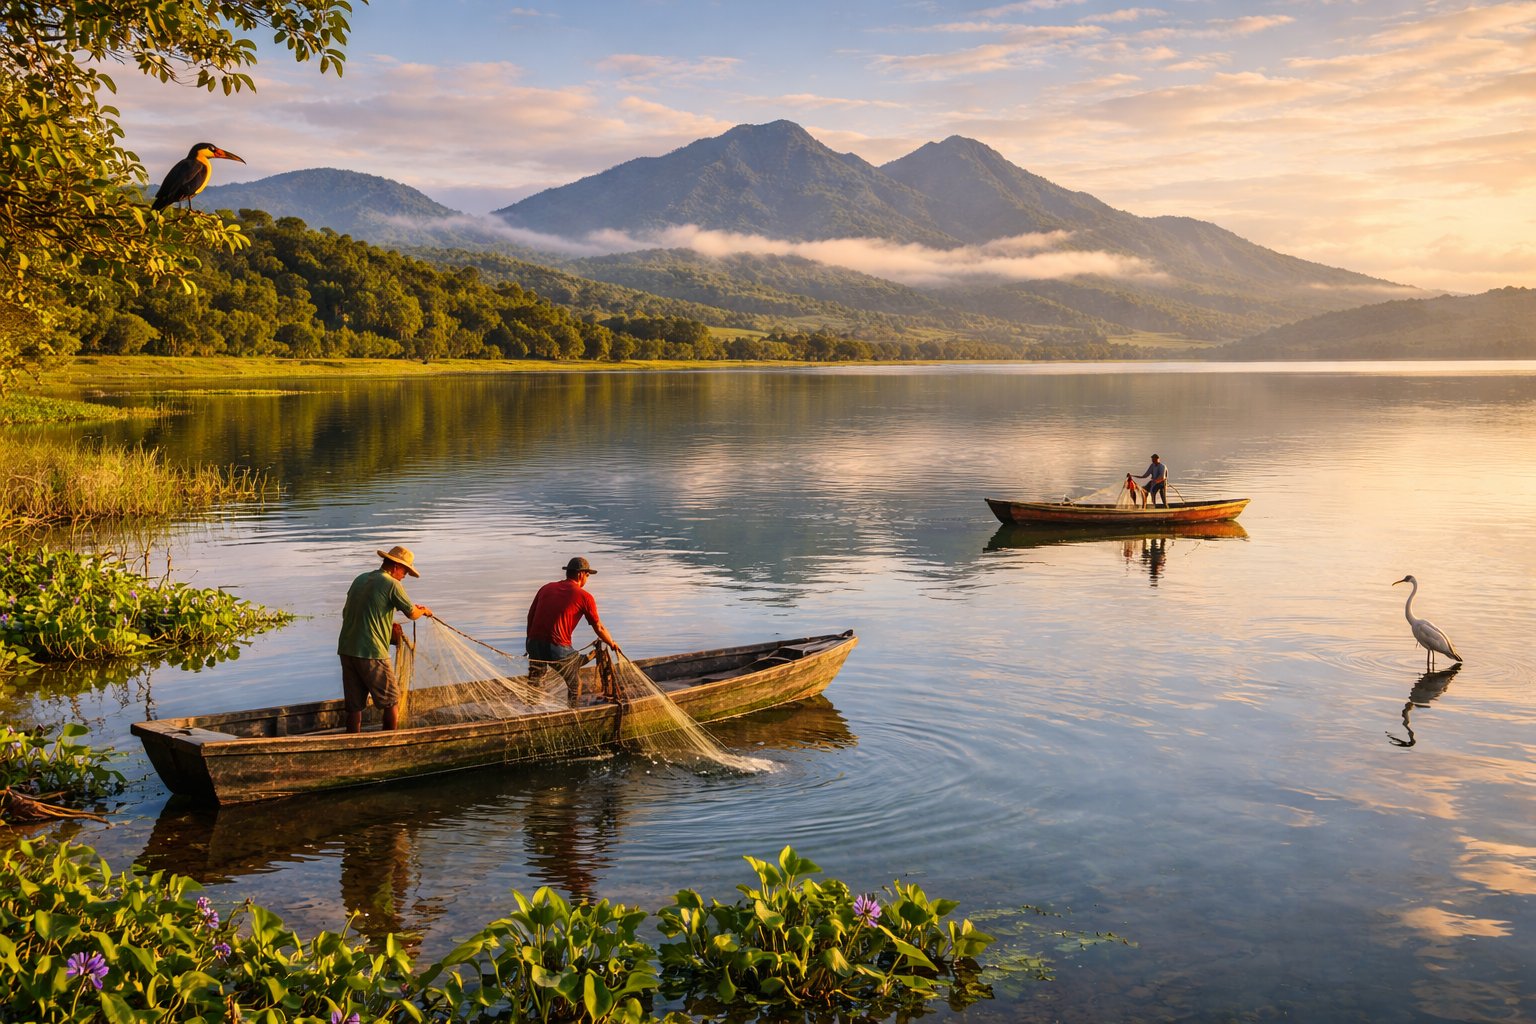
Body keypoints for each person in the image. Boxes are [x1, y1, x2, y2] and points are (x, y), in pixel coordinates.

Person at [338, 545, 433, 734]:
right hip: (372, 653)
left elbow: (348, 613)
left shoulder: (361, 579)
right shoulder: (391, 584)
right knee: (392, 701)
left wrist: (388, 627)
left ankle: (351, 743)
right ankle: (390, 742)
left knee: (354, 706)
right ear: (396, 566)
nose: (405, 575)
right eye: (405, 570)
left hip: (347, 649)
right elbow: (411, 613)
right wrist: (424, 611)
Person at [526, 557, 622, 705]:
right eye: (588, 575)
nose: (587, 579)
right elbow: (599, 627)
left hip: (533, 643)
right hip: (557, 648)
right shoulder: (585, 597)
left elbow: (530, 617)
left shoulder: (546, 588)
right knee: (575, 684)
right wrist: (612, 643)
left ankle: (530, 710)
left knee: (535, 682)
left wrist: (530, 644)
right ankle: (573, 715)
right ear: (581, 574)